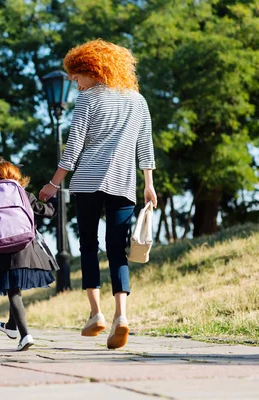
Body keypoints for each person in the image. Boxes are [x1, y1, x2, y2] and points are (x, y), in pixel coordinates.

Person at [39, 39, 158, 350]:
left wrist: (53, 184)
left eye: (77, 78)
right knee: (117, 249)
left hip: (88, 183)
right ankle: (121, 317)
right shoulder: (138, 100)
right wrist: (149, 184)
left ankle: (96, 314)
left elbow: (74, 146)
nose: (76, 85)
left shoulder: (89, 100)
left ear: (91, 69)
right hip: (124, 182)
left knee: (89, 246)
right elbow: (145, 146)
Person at [0, 158, 57, 351]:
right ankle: (12, 327)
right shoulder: (22, 193)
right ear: (13, 174)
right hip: (25, 246)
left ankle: (25, 335)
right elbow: (46, 212)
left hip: (0, 248)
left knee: (12, 291)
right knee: (15, 289)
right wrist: (52, 200)